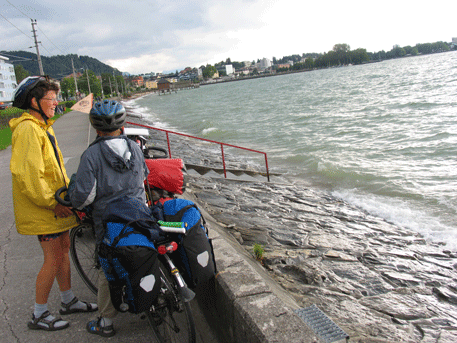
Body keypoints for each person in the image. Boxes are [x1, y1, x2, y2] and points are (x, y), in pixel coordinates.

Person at [9, 76, 97, 332]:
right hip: (44, 209)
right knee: (52, 258)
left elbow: (53, 169)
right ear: (34, 101)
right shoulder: (28, 130)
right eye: (51, 98)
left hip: (55, 206)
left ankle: (68, 300)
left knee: (62, 251)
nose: (56, 102)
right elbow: (29, 176)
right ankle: (39, 314)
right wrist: (52, 203)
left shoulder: (42, 127)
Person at [68, 99, 149, 337]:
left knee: (107, 267)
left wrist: (73, 200)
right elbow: (143, 177)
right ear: (122, 127)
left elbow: (84, 197)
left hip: (109, 221)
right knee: (141, 255)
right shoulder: (135, 148)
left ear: (96, 129)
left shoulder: (91, 155)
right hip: (139, 216)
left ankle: (105, 323)